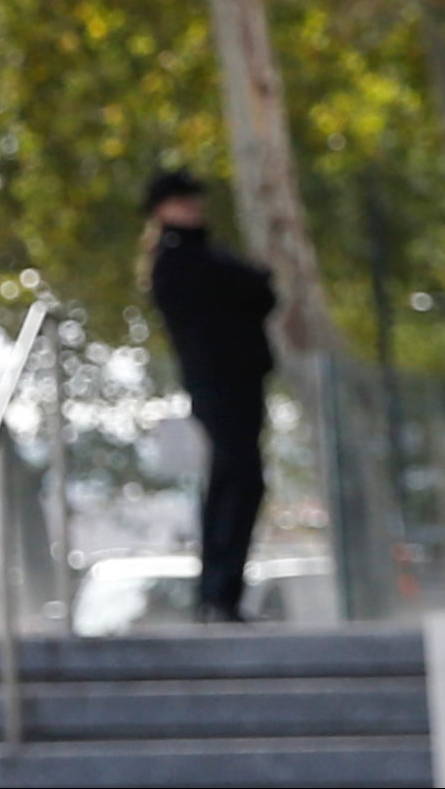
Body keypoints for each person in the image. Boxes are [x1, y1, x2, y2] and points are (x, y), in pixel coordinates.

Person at [141, 166, 278, 623]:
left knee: (234, 480)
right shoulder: (178, 263)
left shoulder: (198, 258)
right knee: (237, 479)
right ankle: (218, 593)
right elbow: (252, 287)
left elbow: (257, 291)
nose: (193, 207)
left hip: (236, 380)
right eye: (183, 200)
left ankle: (221, 594)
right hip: (218, 383)